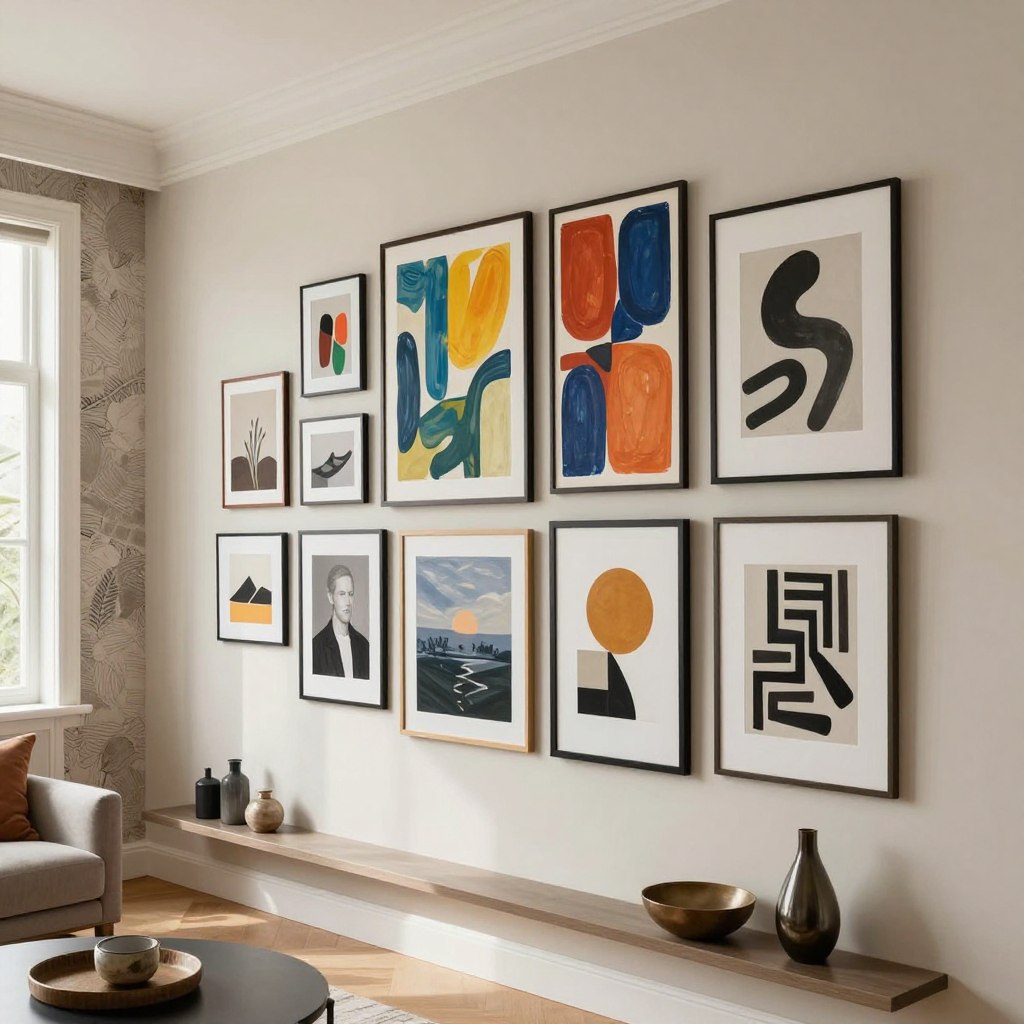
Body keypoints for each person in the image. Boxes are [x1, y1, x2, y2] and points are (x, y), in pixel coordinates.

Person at [311, 564, 370, 678]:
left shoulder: (364, 646)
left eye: (351, 594)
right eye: (342, 594)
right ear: (330, 597)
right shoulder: (316, 647)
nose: (348, 602)